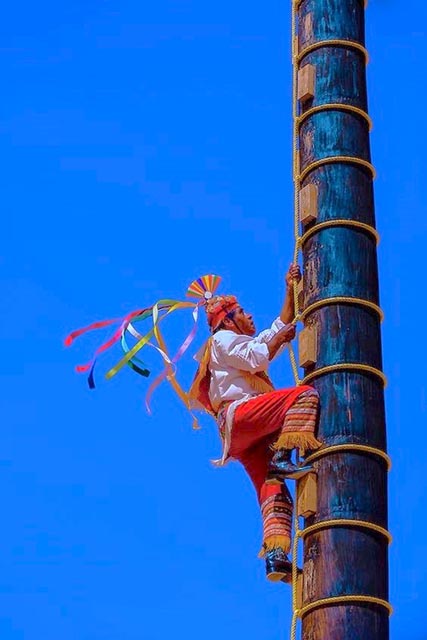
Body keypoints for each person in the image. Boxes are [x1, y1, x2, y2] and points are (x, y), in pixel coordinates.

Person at [188, 265, 322, 583]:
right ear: (229, 318)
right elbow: (259, 356)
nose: (250, 316)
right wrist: (278, 341)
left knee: (273, 490)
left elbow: (278, 326)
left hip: (243, 436)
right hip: (242, 417)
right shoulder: (222, 340)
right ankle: (281, 457)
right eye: (243, 312)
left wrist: (289, 288)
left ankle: (276, 557)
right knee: (304, 396)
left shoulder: (234, 343)